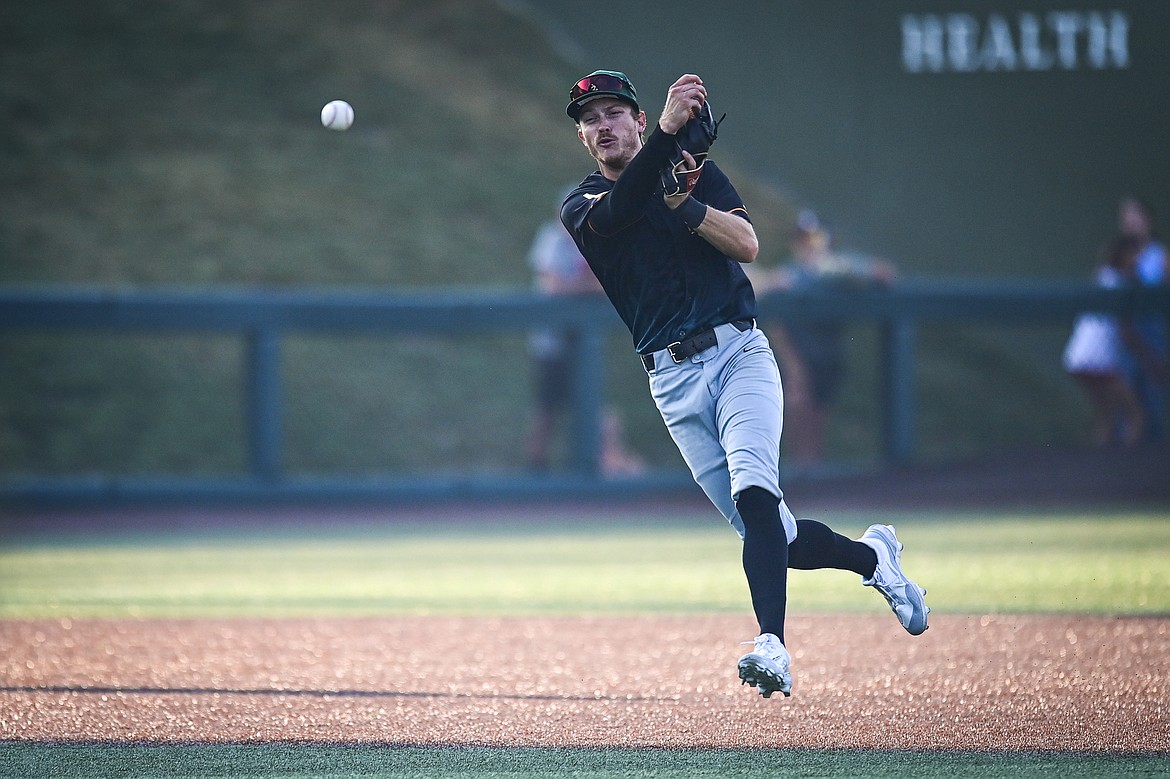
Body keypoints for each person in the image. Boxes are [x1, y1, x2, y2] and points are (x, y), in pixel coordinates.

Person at [560, 69, 929, 699]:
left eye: (614, 112)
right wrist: (671, 145)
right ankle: (875, 561)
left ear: (638, 121)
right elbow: (623, 212)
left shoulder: (693, 176)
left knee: (757, 497)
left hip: (736, 355)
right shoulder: (584, 203)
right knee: (773, 537)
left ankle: (772, 646)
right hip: (670, 383)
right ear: (583, 139)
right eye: (589, 119)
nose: (602, 126)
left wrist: (687, 203)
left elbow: (749, 245)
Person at [752, 209, 896, 467]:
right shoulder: (790, 273)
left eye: (813, 238)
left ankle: (812, 472)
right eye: (801, 238)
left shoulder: (838, 267)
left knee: (818, 412)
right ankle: (802, 470)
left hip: (828, 351)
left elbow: (884, 274)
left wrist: (842, 270)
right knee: (798, 405)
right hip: (798, 351)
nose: (807, 244)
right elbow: (766, 290)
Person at [525, 201, 645, 476]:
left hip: (582, 344)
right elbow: (553, 286)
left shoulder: (593, 239)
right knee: (546, 411)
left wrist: (583, 288)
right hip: (553, 343)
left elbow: (605, 284)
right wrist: (582, 289)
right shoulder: (552, 239)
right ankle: (535, 472)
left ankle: (599, 467)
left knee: (596, 409)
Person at [1062, 236, 1147, 447]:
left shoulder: (1106, 277)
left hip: (1079, 358)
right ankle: (1125, 471)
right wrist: (1153, 361)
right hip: (1095, 359)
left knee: (1107, 418)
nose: (1138, 260)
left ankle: (1103, 470)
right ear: (1123, 255)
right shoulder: (1114, 282)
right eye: (1134, 254)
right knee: (1135, 415)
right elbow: (1125, 333)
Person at [1116, 196, 1168, 441]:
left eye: (1136, 217)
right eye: (1127, 218)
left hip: (1152, 337)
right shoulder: (1116, 256)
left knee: (1152, 405)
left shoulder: (1160, 257)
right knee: (1125, 411)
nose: (1131, 223)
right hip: (1123, 337)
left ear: (1148, 221)